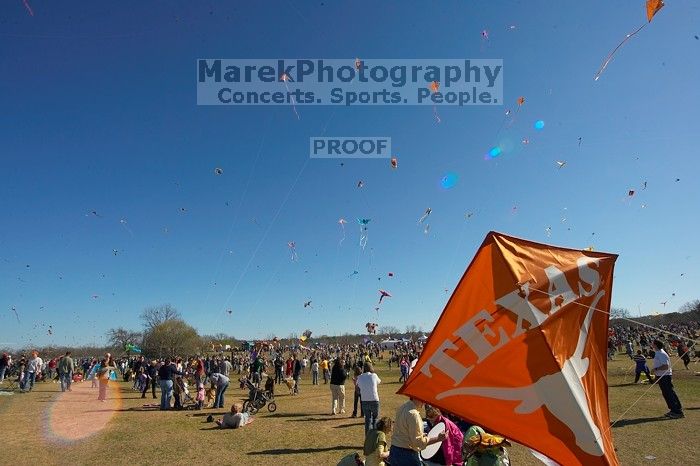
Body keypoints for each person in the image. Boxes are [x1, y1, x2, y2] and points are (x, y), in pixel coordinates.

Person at [389, 397, 447, 465]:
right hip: (406, 455)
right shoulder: (414, 414)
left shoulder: (403, 407)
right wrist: (438, 439)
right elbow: (418, 442)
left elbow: (405, 431)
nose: (425, 402)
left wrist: (421, 435)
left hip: (395, 451)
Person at [652, 339, 683, 418]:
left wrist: (655, 370)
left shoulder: (661, 353)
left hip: (665, 376)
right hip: (661, 376)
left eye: (653, 344)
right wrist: (656, 376)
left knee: (669, 393)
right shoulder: (658, 353)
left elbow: (665, 366)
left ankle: (677, 412)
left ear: (656, 345)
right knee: (667, 393)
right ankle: (673, 410)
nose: (652, 345)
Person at [356, 362, 381, 433]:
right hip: (374, 399)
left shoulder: (359, 377)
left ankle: (368, 437)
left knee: (367, 419)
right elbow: (379, 382)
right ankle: (375, 436)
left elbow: (358, 387)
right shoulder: (374, 375)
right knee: (375, 419)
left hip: (364, 400)